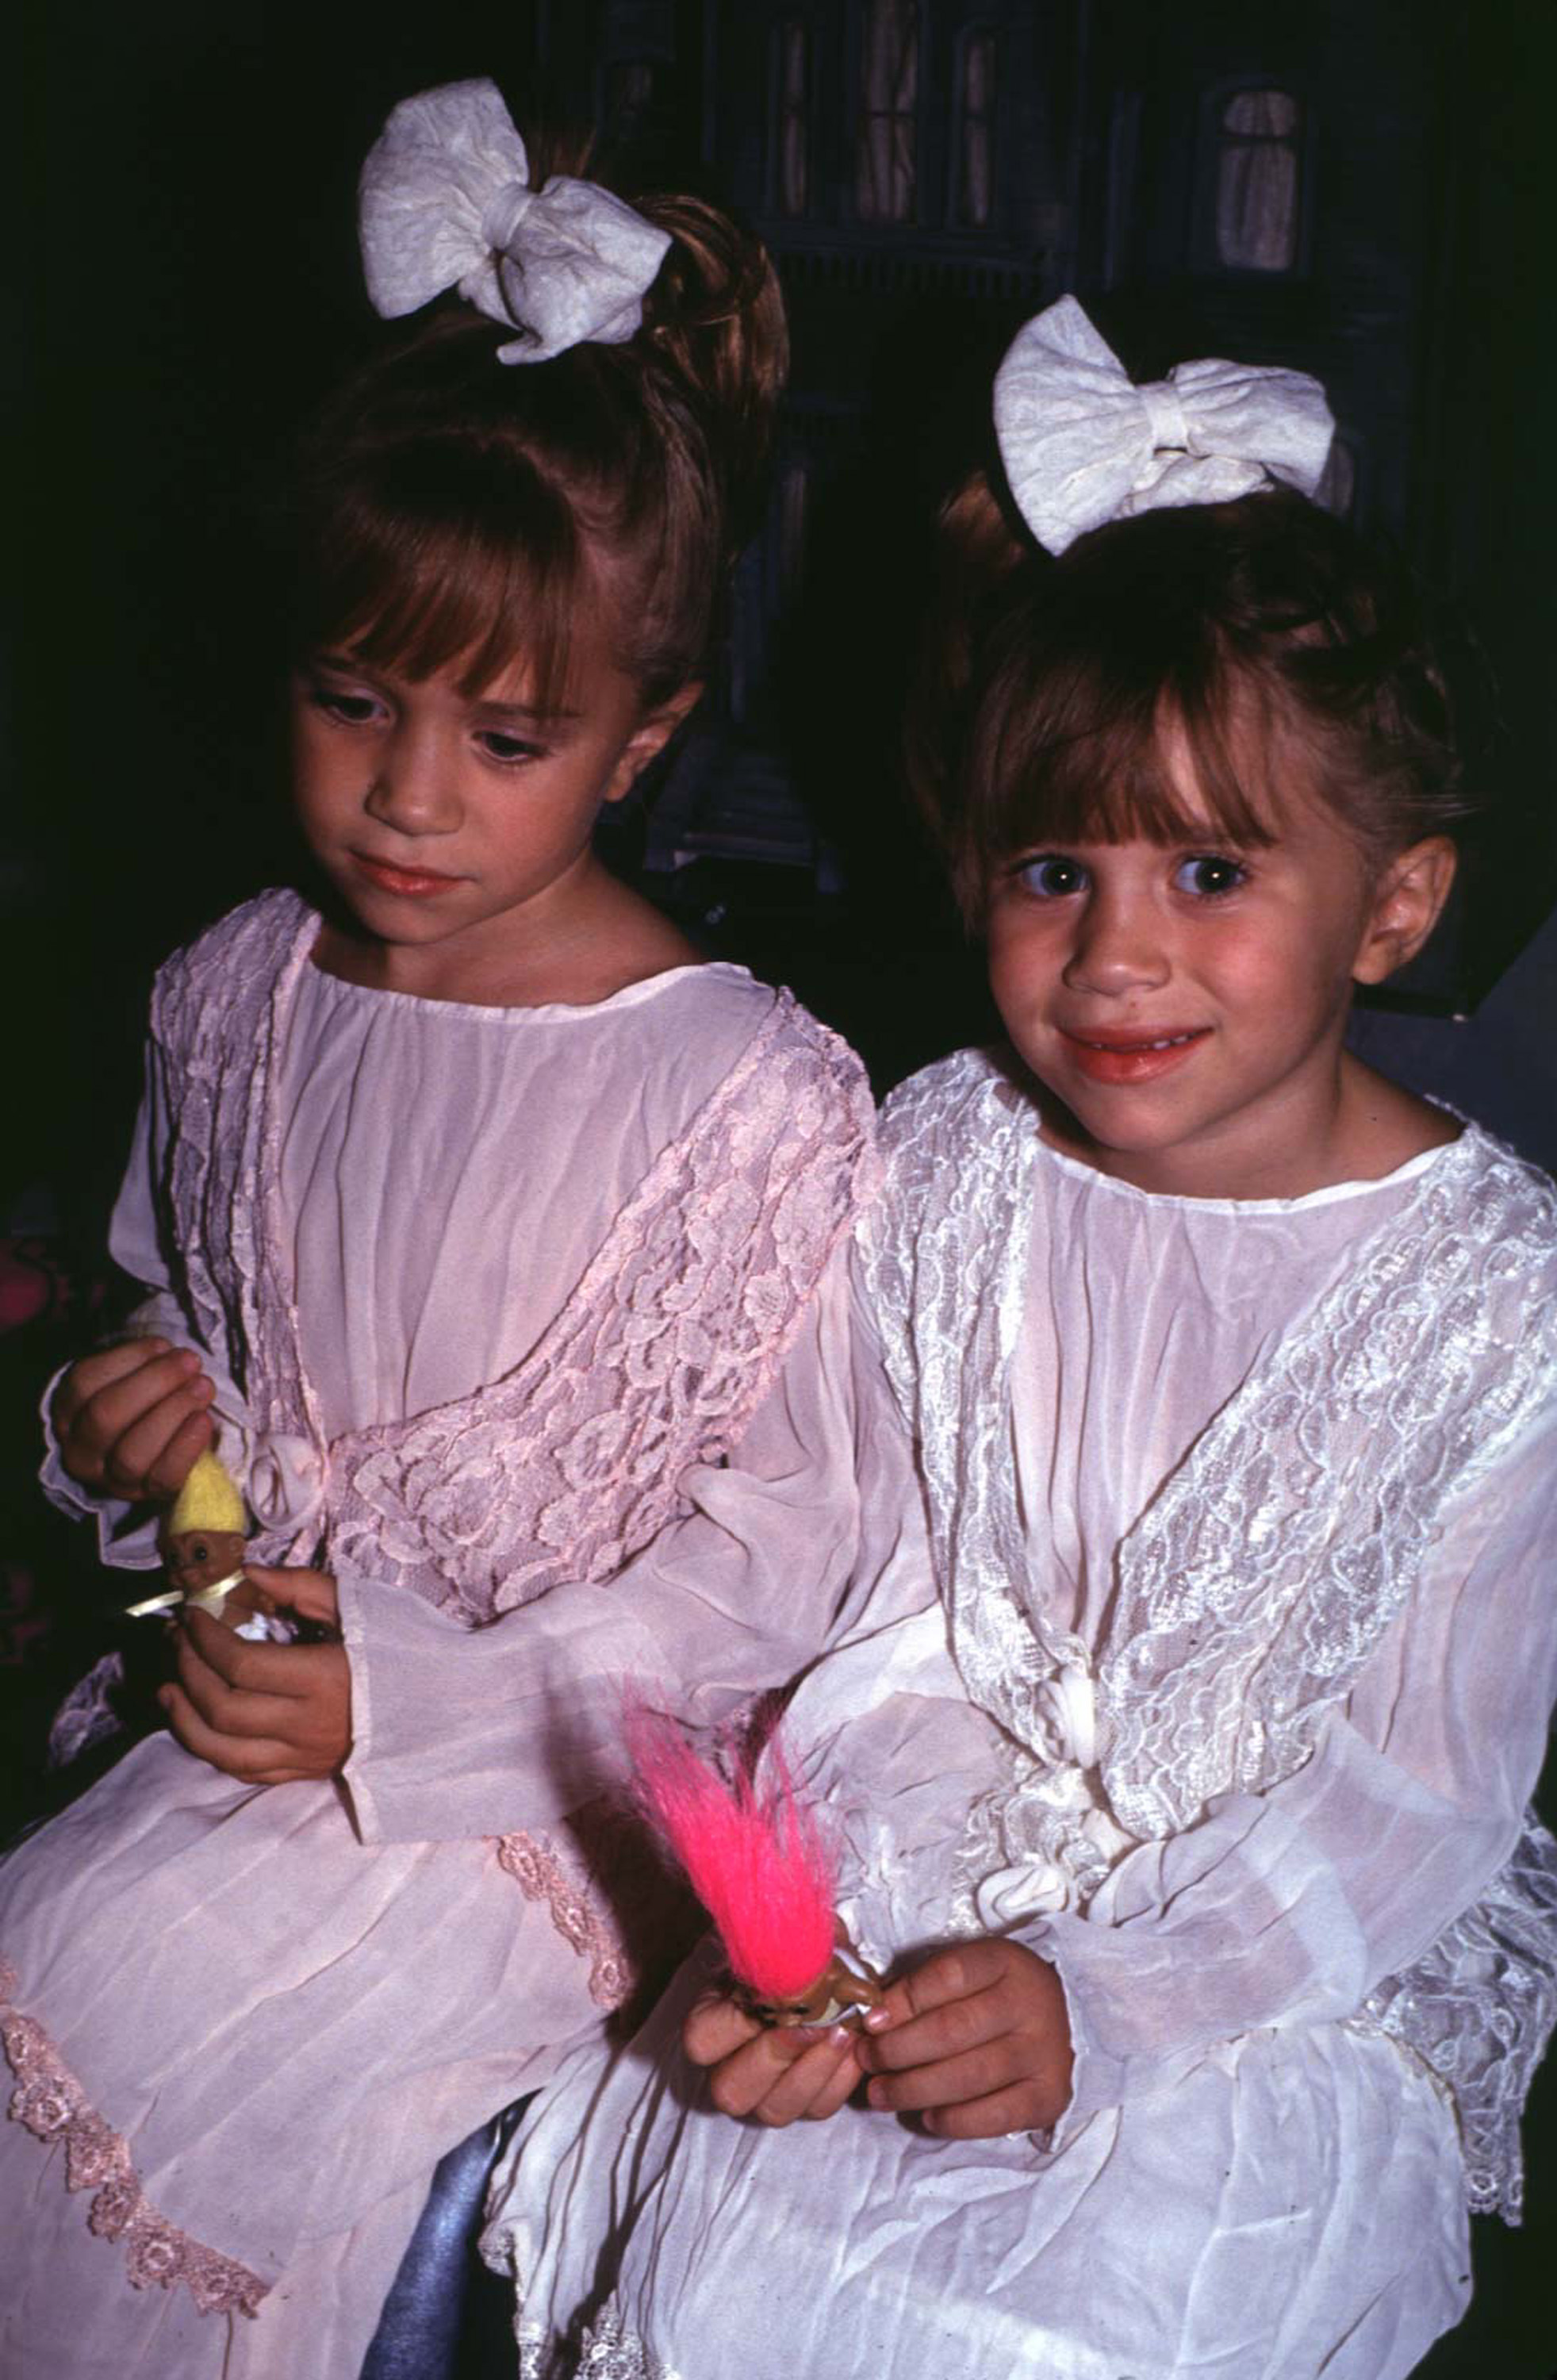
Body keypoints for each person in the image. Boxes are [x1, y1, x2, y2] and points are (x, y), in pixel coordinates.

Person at [481, 297, 1557, 2379]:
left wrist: (1112, 2000)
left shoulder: (1496, 1301)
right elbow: (865, 1605)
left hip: (1271, 1970)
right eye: (1051, 865)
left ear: (1395, 905)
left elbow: (1408, 1800)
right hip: (916, 1869)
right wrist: (801, 1947)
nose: (1113, 952)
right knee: (733, 2280)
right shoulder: (951, 1158)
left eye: (1210, 865)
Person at [0, 79, 877, 2380]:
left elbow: (771, 1574)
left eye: (504, 733)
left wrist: (411, 1703)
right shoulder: (230, 995)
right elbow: (176, 1327)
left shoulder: (744, 1098)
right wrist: (122, 1434)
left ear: (645, 735)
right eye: (349, 700)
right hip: (225, 1732)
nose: (403, 793)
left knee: (102, 2003)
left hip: (516, 1819)